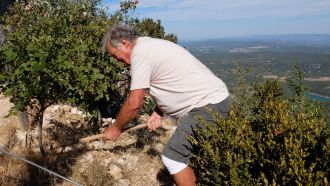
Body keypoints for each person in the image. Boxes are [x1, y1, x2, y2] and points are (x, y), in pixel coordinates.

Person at [102, 24, 230, 186]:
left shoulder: (140, 53)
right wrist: (158, 112)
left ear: (125, 43)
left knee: (173, 156)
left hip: (207, 105)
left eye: (115, 54)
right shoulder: (148, 46)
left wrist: (116, 128)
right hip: (213, 103)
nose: (117, 60)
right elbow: (170, 80)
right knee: (196, 156)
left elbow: (134, 104)